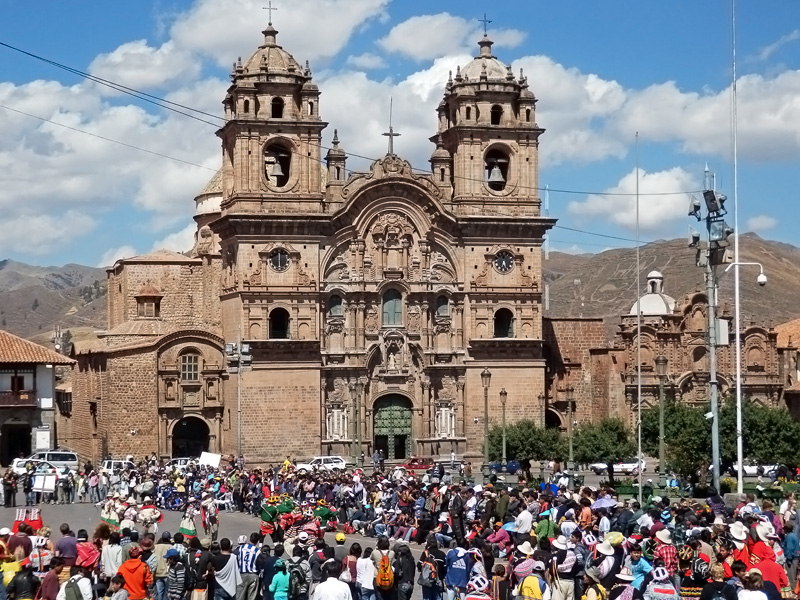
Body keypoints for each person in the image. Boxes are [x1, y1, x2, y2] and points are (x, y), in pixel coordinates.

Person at [236, 533, 262, 600]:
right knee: (251, 597)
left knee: (240, 596)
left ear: (249, 539)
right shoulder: (257, 551)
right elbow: (258, 563)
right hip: (253, 575)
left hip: (242, 574)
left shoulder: (241, 548)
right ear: (257, 541)